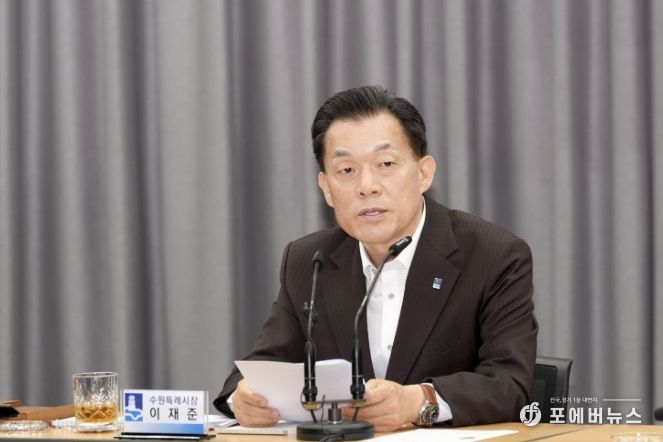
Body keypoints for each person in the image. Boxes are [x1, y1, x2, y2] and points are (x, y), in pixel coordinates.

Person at [214, 85, 537, 431]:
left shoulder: (493, 255)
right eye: (346, 170)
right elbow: (260, 368)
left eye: (386, 164)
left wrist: (417, 402)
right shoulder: (309, 261)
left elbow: (509, 385)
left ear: (423, 173)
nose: (367, 186)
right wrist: (243, 399)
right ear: (326, 188)